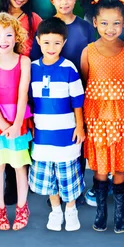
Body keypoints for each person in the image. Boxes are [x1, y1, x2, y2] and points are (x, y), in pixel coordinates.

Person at [80, 0, 124, 233]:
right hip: (97, 121)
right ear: (95, 22)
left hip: (123, 120)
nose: (110, 28)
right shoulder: (88, 51)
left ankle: (119, 213)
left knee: (120, 168)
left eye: (116, 23)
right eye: (104, 23)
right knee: (100, 168)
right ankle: (100, 212)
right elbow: (84, 85)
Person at [30, 18, 86, 231]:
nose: (51, 48)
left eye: (56, 43)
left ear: (63, 43)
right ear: (38, 41)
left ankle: (71, 210)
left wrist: (79, 126)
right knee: (49, 176)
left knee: (67, 175)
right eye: (46, 43)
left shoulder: (69, 68)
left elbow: (77, 101)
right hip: (43, 135)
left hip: (66, 134)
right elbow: (29, 101)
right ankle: (56, 211)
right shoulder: (32, 68)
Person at [0, 0, 42, 207]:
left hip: (27, 83)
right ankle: (9, 184)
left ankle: (26, 180)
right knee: (4, 138)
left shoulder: (33, 19)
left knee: (23, 135)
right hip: (2, 88)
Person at [0, 13, 32, 231]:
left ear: (16, 37)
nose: (3, 40)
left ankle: (22, 207)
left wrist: (16, 122)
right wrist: (2, 123)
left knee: (20, 166)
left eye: (9, 35)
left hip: (18, 119)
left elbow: (23, 93)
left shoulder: (24, 61)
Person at [30, 0, 96, 80]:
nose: (64, 2)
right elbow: (35, 58)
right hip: (52, 84)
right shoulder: (44, 27)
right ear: (52, 0)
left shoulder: (86, 27)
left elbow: (93, 59)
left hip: (80, 83)